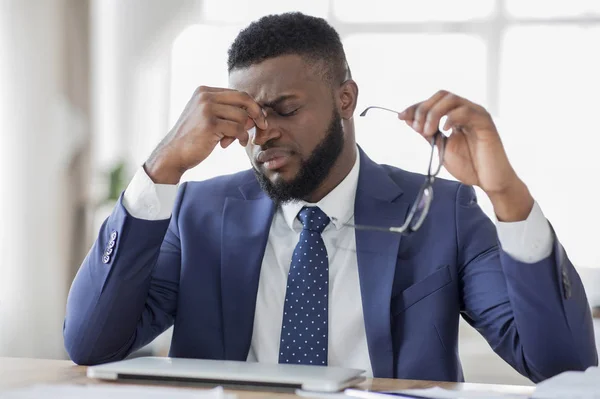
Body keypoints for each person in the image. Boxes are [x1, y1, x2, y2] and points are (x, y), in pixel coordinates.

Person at [63, 12, 598, 382]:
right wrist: (163, 167)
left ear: (346, 99)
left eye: (285, 109)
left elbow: (562, 368)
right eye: (249, 116)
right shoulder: (197, 213)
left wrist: (505, 193)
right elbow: (92, 344)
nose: (262, 132)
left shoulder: (445, 213)